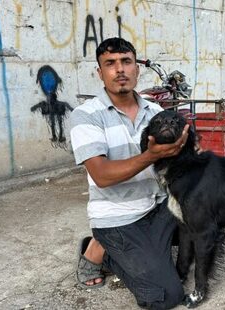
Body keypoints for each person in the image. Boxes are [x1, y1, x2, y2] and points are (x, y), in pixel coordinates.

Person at [69, 37, 189, 309]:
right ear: (100, 73)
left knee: (214, 218)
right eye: (110, 64)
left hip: (159, 207)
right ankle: (103, 250)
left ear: (136, 69)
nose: (120, 69)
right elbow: (101, 175)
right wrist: (152, 155)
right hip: (118, 216)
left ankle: (138, 252)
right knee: (165, 296)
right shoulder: (87, 115)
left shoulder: (156, 111)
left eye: (126, 62)